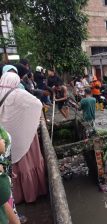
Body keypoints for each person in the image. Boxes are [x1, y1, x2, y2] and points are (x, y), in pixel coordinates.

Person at [0, 71, 47, 204]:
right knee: (28, 163)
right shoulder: (18, 94)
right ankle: (32, 194)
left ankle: (16, 197)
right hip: (23, 137)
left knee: (12, 166)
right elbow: (37, 104)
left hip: (5, 140)